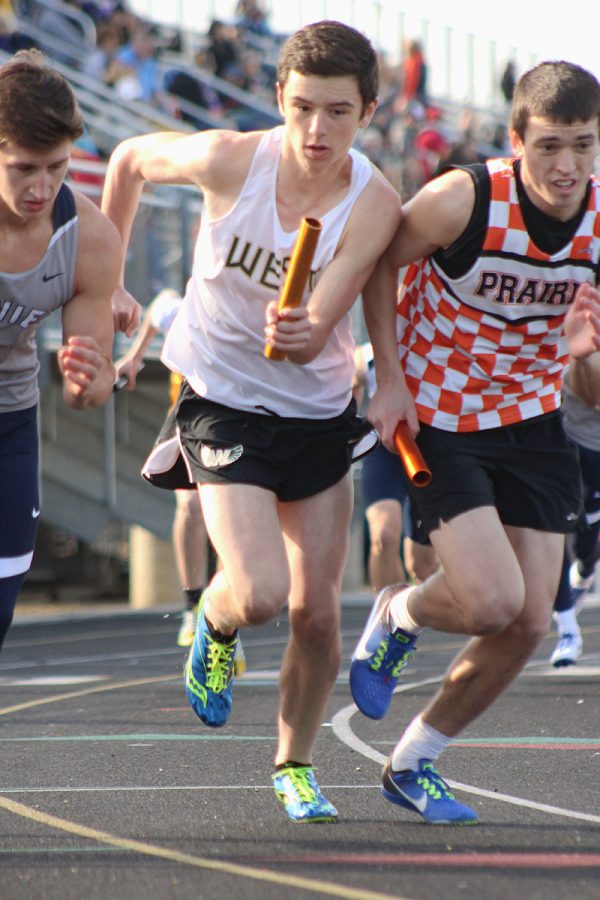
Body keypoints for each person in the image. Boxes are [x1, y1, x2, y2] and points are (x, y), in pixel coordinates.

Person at [100, 20, 401, 823]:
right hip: (220, 398)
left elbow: (325, 317)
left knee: (316, 610)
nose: (316, 130)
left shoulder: (374, 201)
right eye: (302, 107)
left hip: (317, 411)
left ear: (367, 112)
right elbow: (128, 163)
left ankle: (294, 765)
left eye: (338, 112)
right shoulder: (231, 159)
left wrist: (306, 331)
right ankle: (216, 620)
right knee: (262, 592)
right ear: (278, 97)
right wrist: (108, 280)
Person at [351, 59, 600, 825]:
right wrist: (389, 378)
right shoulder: (465, 198)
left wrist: (586, 353)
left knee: (529, 621)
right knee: (493, 600)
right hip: (441, 417)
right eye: (551, 146)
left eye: (585, 147)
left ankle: (412, 761)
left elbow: (591, 394)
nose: (567, 166)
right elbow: (376, 265)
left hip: (530, 418)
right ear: (516, 139)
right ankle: (399, 613)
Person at [0, 49, 124, 654]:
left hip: (11, 419)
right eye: (24, 168)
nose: (42, 187)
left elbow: (90, 393)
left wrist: (89, 378)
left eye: (57, 167)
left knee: (1, 604)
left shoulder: (90, 237)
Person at [114, 287, 246, 671]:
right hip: (191, 416)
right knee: (190, 507)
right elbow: (156, 309)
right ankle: (193, 604)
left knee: (233, 515)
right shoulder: (186, 308)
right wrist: (134, 358)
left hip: (237, 419)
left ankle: (223, 618)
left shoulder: (247, 315)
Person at [354, 342, 438, 590]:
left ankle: (414, 619)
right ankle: (386, 620)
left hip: (427, 453)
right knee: (383, 535)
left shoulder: (437, 346)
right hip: (385, 451)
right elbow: (346, 392)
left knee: (422, 565)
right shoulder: (366, 356)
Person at [550, 351, 600, 666]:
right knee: (551, 532)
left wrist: (581, 361)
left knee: (584, 546)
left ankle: (584, 573)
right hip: (557, 441)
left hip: (594, 449)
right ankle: (568, 629)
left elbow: (592, 393)